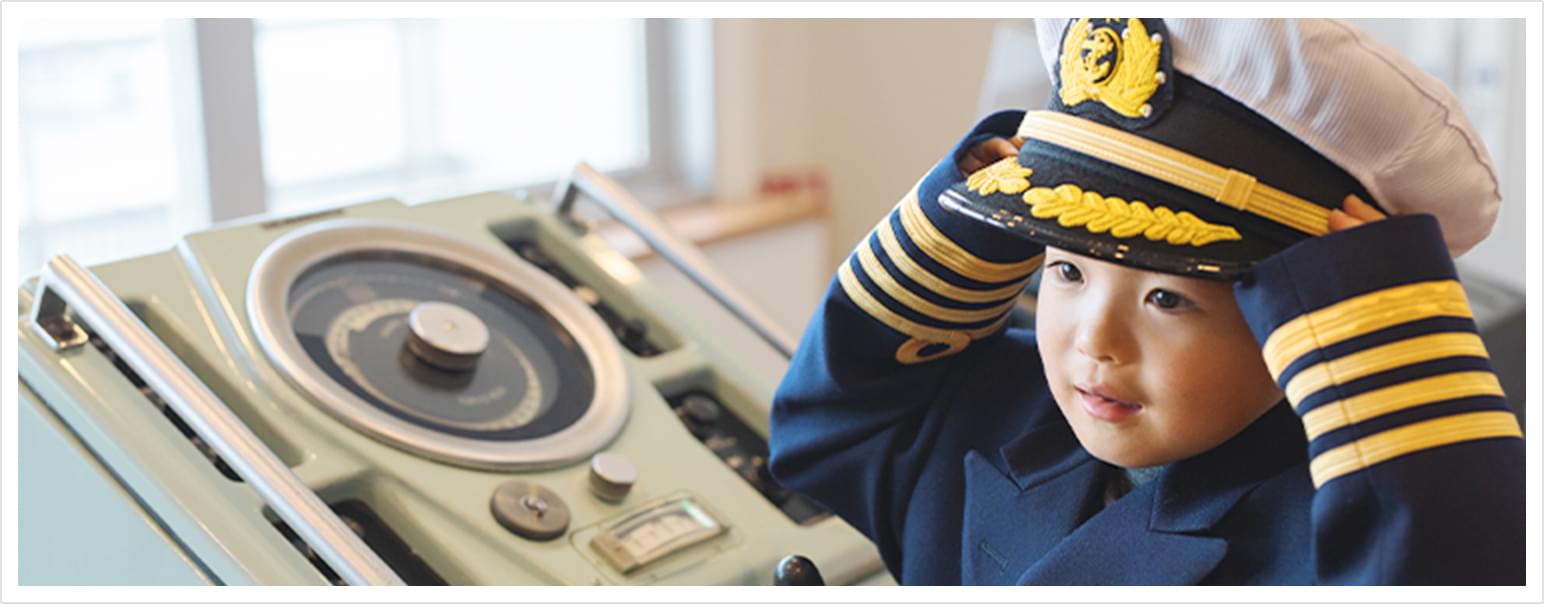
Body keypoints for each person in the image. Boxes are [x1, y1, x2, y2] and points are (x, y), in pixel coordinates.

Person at [767, 18, 1523, 585]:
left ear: (1298, 323)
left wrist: (1386, 356)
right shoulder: (999, 412)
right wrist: (961, 214)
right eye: (1067, 273)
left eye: (1167, 297)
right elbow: (824, 431)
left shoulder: (1339, 529)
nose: (1095, 340)